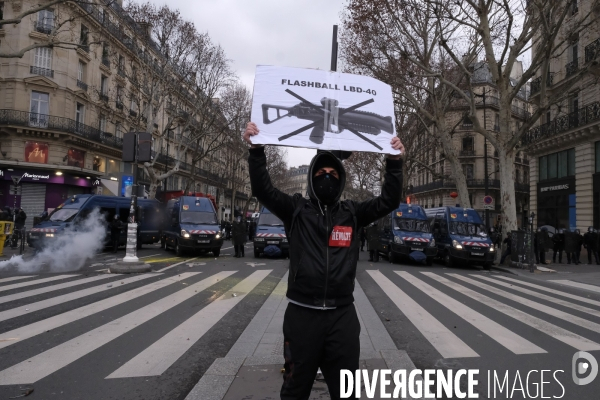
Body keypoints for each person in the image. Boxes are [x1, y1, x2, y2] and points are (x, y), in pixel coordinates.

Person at [244, 121, 403, 400]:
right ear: (311, 178)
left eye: (332, 173)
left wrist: (394, 163)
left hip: (342, 317)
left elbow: (389, 200)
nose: (327, 177)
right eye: (321, 172)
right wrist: (256, 151)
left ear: (341, 180)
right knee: (294, 389)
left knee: (346, 392)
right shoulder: (296, 210)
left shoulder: (352, 213)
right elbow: (263, 190)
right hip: (302, 316)